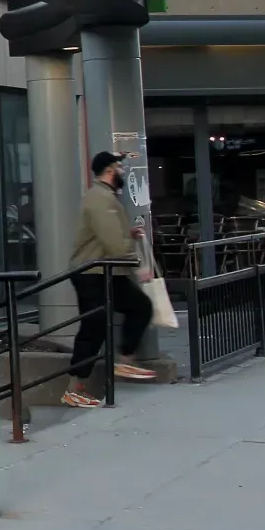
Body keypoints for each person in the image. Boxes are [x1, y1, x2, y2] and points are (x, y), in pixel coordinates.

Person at [63, 150, 158, 408]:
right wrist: (134, 260)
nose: (123, 172)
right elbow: (112, 241)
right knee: (94, 326)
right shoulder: (100, 199)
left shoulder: (104, 197)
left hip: (106, 271)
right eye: (120, 167)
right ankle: (76, 386)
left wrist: (128, 234)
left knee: (137, 308)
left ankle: (124, 362)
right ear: (109, 170)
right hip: (93, 273)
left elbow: (109, 234)